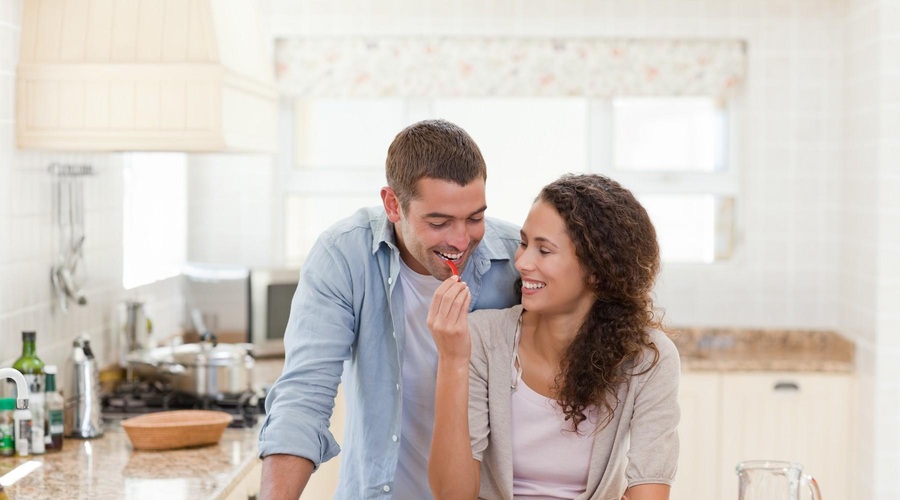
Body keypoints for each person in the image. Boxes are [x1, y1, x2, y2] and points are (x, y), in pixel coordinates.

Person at [258, 119, 522, 499]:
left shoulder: (516, 258)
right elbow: (303, 396)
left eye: (475, 218)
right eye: (439, 221)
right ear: (392, 204)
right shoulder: (344, 255)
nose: (462, 240)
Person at [427, 174, 680, 500]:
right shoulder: (483, 339)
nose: (522, 262)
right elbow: (452, 496)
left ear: (596, 269)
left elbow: (649, 489)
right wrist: (452, 360)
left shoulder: (647, 357)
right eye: (524, 243)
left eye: (544, 250)